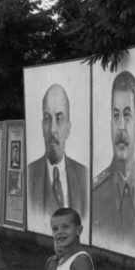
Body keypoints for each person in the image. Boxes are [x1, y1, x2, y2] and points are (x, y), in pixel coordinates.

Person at [92, 71, 135, 250]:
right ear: (110, 125)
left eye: (127, 115)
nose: (121, 126)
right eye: (116, 116)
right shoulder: (93, 196)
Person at [27, 84, 88, 227]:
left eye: (59, 119)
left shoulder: (83, 175)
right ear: (42, 126)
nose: (53, 129)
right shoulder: (29, 175)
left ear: (68, 128)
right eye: (48, 119)